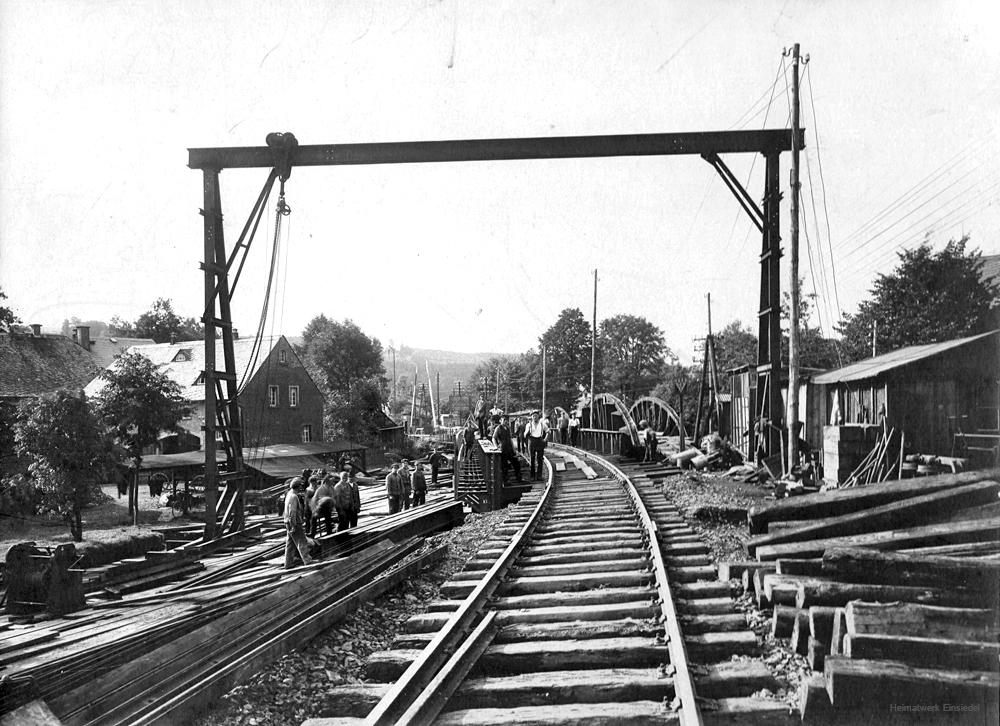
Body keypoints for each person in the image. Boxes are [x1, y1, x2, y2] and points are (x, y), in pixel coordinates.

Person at [283, 477, 314, 569]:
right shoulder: (293, 496)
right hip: (294, 522)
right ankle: (307, 561)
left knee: (290, 544)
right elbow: (292, 512)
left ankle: (288, 563)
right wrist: (293, 525)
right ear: (299, 486)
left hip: (288, 522)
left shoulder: (289, 494)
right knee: (301, 542)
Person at [492, 415, 523, 483]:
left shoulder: (508, 428)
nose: (505, 421)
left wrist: (514, 449)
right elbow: (493, 438)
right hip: (503, 449)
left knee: (516, 463)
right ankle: (505, 480)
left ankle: (519, 478)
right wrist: (496, 447)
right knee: (504, 466)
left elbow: (510, 439)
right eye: (504, 420)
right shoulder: (498, 428)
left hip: (509, 449)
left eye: (506, 420)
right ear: (500, 420)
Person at [525, 410, 549, 481]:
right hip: (532, 442)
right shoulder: (528, 425)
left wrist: (545, 439)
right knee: (532, 459)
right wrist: (527, 432)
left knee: (540, 459)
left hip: (539, 441)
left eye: (535, 416)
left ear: (538, 416)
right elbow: (524, 434)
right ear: (531, 417)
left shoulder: (542, 424)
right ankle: (532, 476)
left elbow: (548, 431)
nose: (534, 417)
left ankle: (539, 476)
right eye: (533, 416)